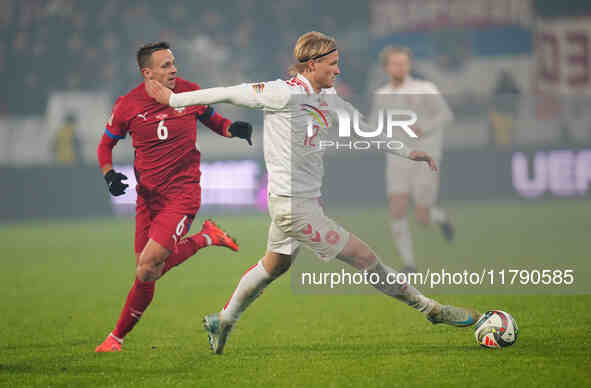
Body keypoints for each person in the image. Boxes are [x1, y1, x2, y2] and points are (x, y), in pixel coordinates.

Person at [145, 32, 480, 355]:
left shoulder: (329, 99)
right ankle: (431, 309)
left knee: (274, 266)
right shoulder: (281, 93)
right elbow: (226, 92)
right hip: (293, 208)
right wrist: (174, 100)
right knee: (365, 258)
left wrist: (408, 152)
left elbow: (365, 130)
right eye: (332, 63)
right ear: (311, 65)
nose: (338, 69)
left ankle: (223, 320)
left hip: (303, 202)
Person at [95, 41, 254, 352]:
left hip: (182, 194)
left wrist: (232, 129)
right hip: (148, 198)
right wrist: (109, 174)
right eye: (166, 65)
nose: (174, 69)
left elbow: (212, 119)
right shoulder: (128, 105)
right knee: (148, 271)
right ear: (147, 72)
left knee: (149, 264)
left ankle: (115, 339)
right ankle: (207, 237)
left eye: (173, 63)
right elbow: (105, 145)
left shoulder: (188, 92)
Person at [372, 46, 454, 273]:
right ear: (386, 67)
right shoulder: (381, 94)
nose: (400, 67)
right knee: (397, 207)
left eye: (404, 62)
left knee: (422, 217)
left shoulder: (424, 88)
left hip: (426, 156)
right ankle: (409, 264)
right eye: (395, 63)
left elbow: (446, 114)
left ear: (409, 64)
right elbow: (374, 124)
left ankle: (440, 218)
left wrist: (423, 128)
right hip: (397, 158)